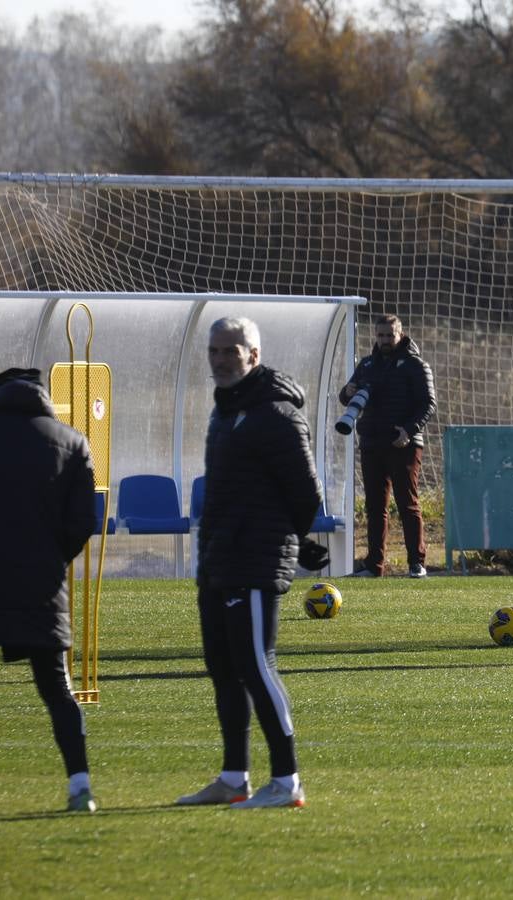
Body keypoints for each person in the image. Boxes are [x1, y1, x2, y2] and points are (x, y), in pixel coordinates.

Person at [177, 317, 328, 809]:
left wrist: (295, 539)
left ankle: (287, 781)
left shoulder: (276, 414)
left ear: (253, 355)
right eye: (214, 351)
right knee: (222, 668)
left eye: (231, 351)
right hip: (219, 558)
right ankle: (233, 777)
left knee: (256, 666)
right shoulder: (226, 412)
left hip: (256, 561)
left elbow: (306, 495)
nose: (221, 360)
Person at [0, 366, 101, 812]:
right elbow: (83, 523)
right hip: (41, 581)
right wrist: (50, 557)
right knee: (57, 687)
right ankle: (80, 786)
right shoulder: (73, 442)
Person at [339, 314, 437, 578]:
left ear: (400, 334)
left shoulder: (415, 365)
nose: (384, 340)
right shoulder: (367, 364)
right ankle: (374, 566)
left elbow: (429, 404)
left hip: (403, 443)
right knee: (374, 507)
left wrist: (409, 430)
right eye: (380, 335)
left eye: (389, 335)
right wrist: (347, 392)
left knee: (407, 503)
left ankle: (417, 563)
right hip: (372, 443)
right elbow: (345, 395)